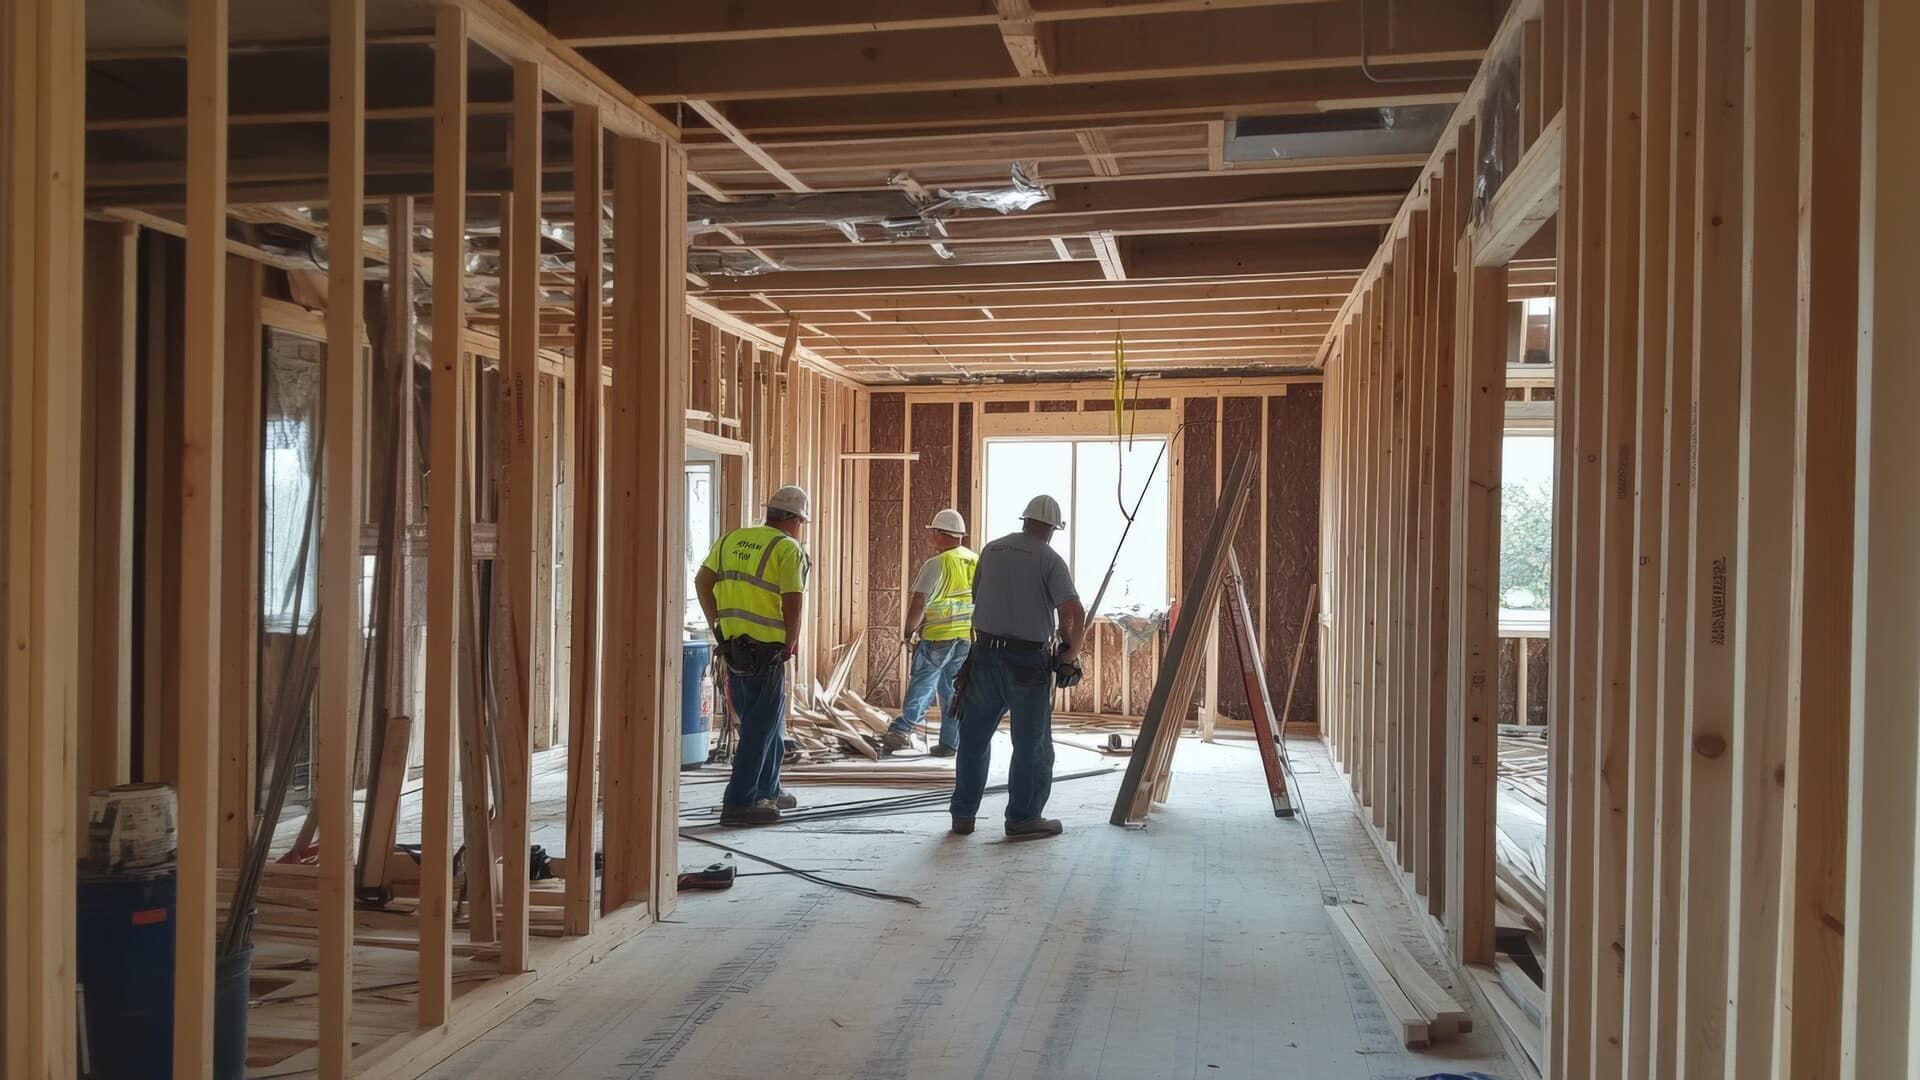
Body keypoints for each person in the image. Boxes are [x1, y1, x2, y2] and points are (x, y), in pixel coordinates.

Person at [947, 494, 1085, 839]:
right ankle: (1023, 818)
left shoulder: (991, 550)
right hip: (1027, 661)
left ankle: (963, 815)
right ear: (1052, 528)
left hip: (982, 655)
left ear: (1025, 520)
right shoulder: (1049, 558)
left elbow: (979, 597)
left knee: (974, 738)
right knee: (1032, 745)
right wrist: (1070, 654)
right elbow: (1072, 611)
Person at [693, 485, 812, 826]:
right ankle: (740, 802)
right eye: (801, 523)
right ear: (794, 520)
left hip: (734, 647)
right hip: (767, 650)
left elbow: (702, 581)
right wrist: (790, 643)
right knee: (760, 727)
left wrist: (717, 624)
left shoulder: (730, 540)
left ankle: (768, 789)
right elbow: (793, 600)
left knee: (766, 721)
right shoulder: (788, 548)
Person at [881, 509, 977, 757]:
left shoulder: (937, 563)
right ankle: (950, 742)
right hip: (967, 637)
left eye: (933, 532)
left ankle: (901, 730)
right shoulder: (975, 560)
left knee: (923, 682)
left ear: (939, 534)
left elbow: (919, 602)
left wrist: (908, 632)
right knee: (953, 689)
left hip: (938, 637)